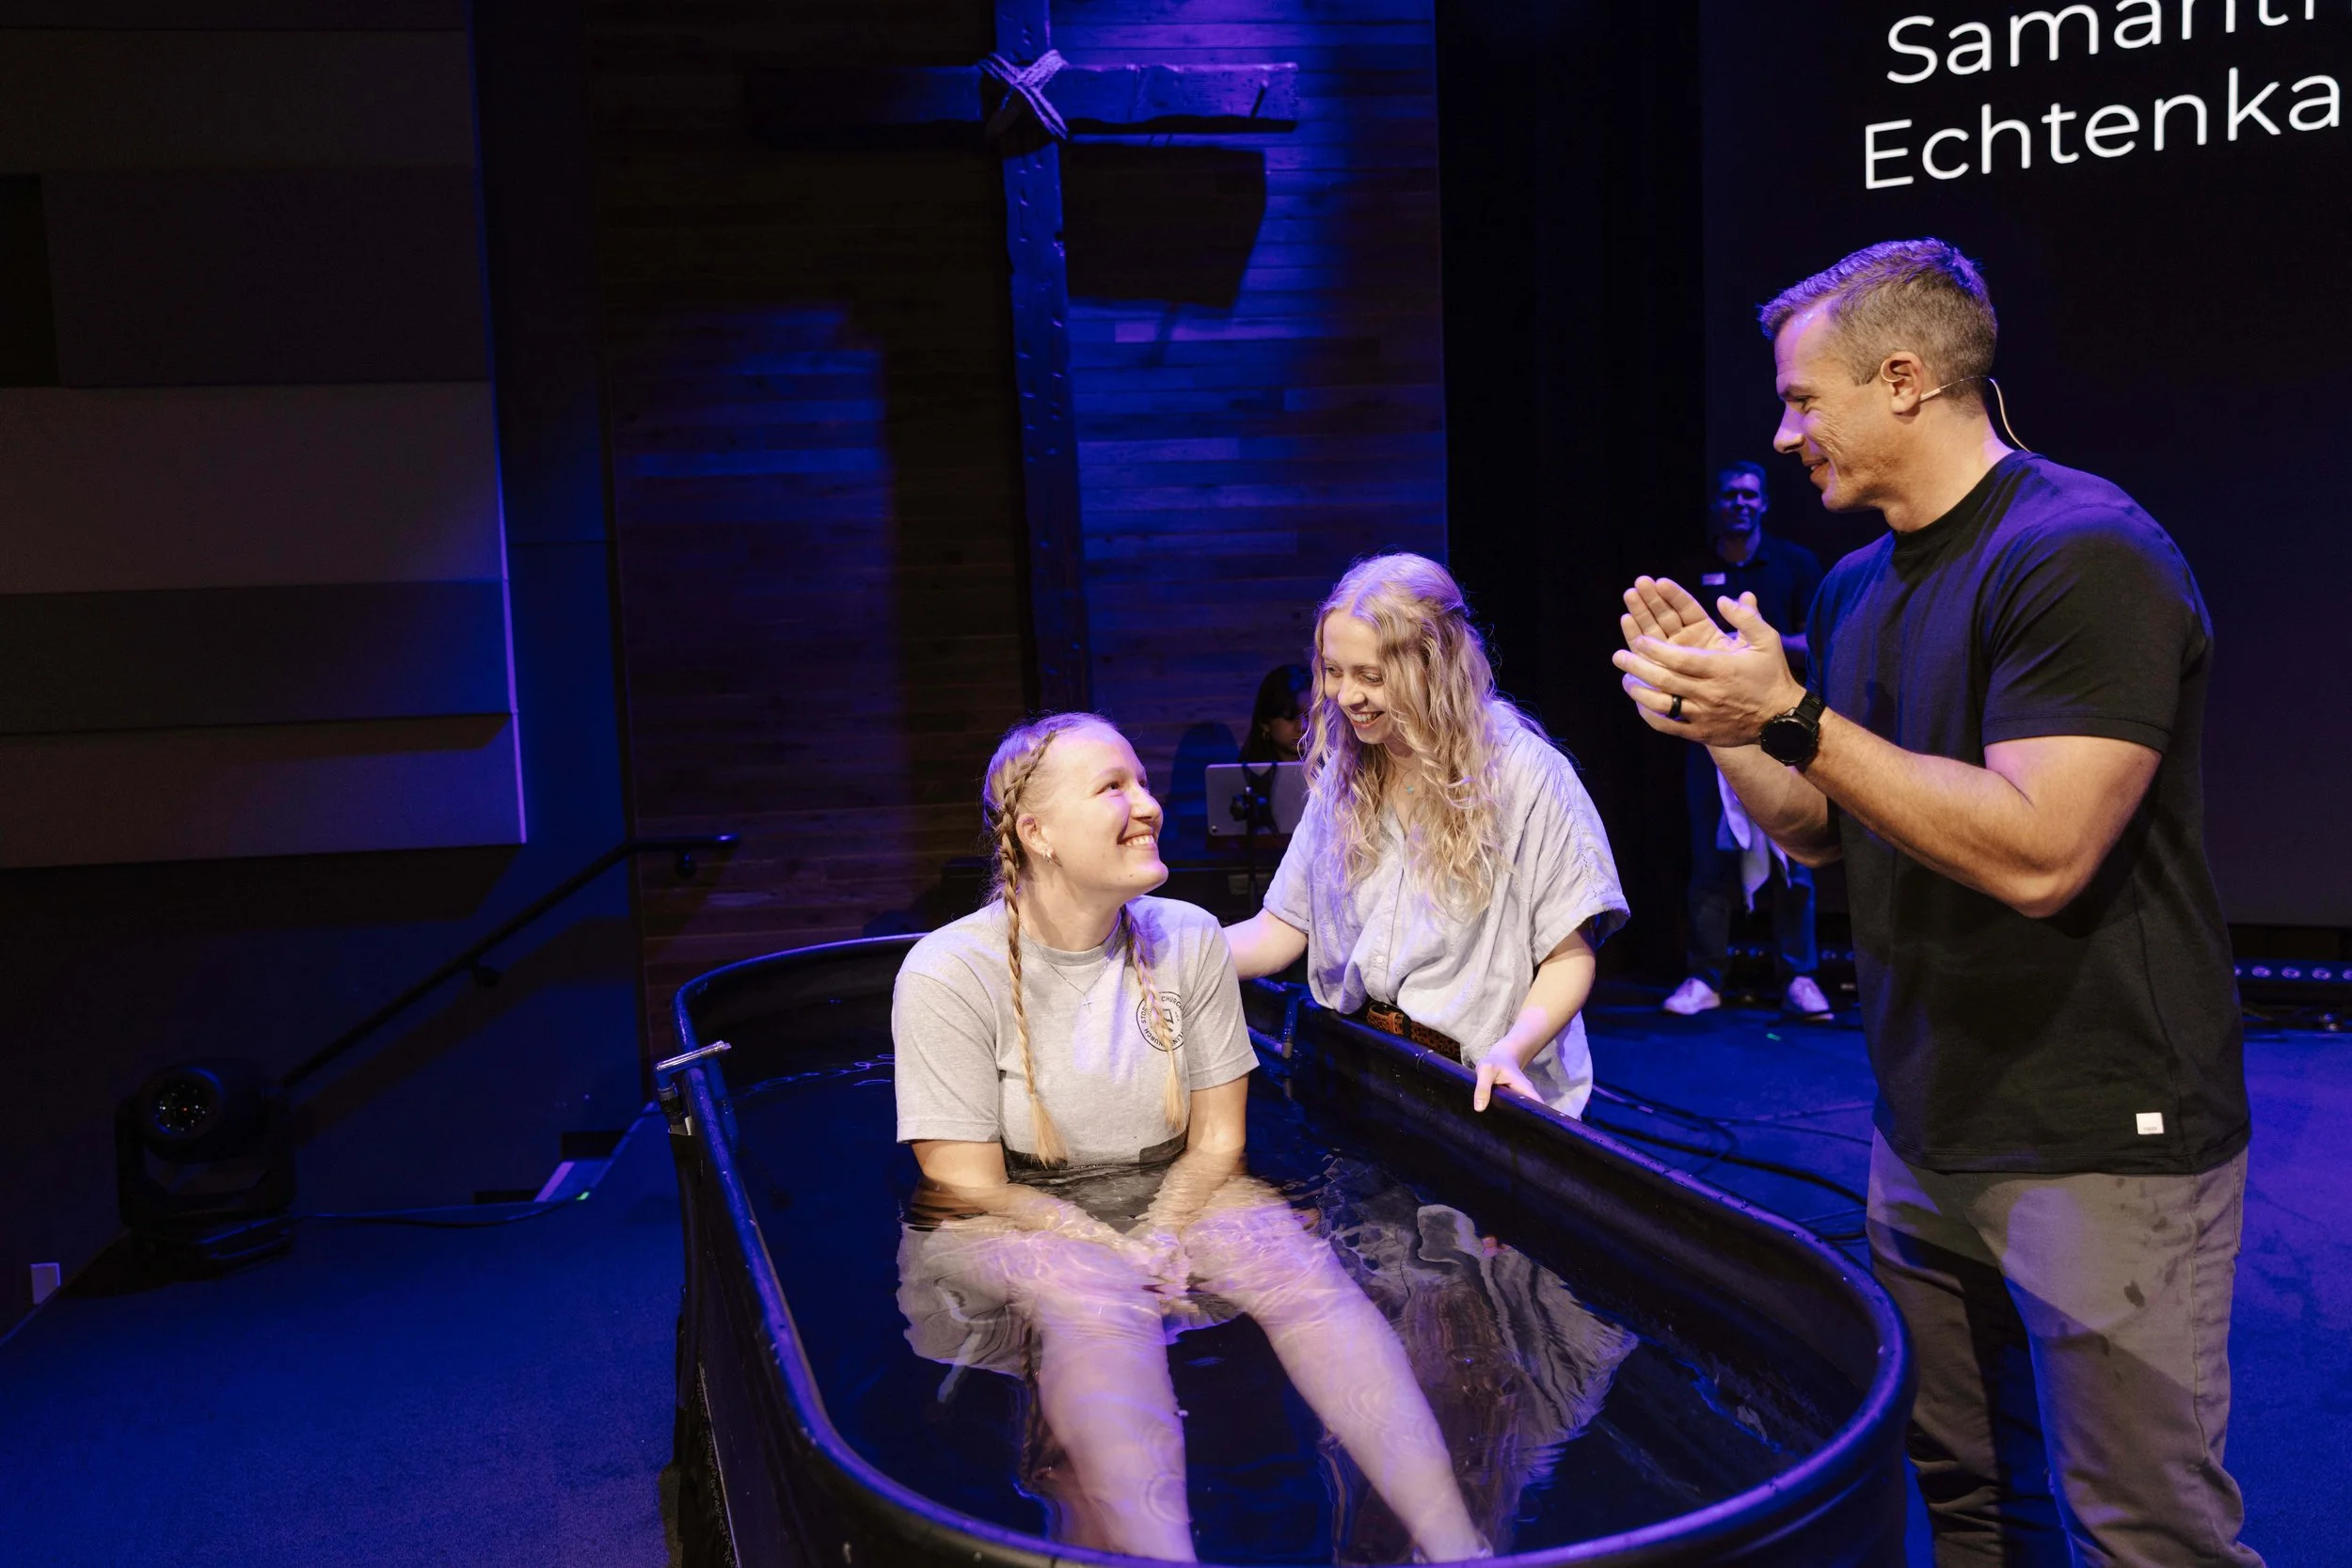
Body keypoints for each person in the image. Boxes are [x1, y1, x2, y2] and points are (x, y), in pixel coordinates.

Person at [1613, 239, 2260, 1566]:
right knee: (1968, 1500)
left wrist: (1788, 709)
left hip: (2103, 1127)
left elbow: (2040, 853)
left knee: (2148, 1529)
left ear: (1903, 378)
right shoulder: (1858, 584)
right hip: (1926, 1121)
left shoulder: (2083, 552)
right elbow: (1821, 835)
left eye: (1804, 399)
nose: (1784, 433)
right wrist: (1720, 719)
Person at [891, 711, 1488, 1562]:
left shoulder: (1189, 938)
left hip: (1172, 1190)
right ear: (1038, 833)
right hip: (1002, 1218)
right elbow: (966, 1181)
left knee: (1292, 1260)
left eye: (1142, 779)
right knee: (1090, 1289)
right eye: (1113, 787)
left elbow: (1215, 1143)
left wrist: (1162, 1234)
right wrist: (1102, 1243)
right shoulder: (951, 971)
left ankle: (1456, 1548)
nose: (1148, 804)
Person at [1224, 554, 1629, 1117]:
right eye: (1334, 671)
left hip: (1483, 1091)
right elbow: (1281, 928)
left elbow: (1569, 956)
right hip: (1372, 1070)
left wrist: (1512, 1051)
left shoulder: (1524, 774)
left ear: (1433, 667)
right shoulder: (1348, 772)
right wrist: (1181, 950)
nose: (1345, 696)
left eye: (1372, 676)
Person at [1663, 462, 1832, 1021]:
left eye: (1749, 495)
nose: (1739, 503)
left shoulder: (1794, 565)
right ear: (1716, 504)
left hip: (1782, 730)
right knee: (1709, 860)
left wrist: (1757, 648)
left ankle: (1800, 977)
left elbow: (1819, 641)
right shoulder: (1693, 569)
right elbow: (1671, 647)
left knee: (1793, 856)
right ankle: (1705, 977)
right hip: (1710, 737)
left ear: (1763, 504)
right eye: (1729, 494)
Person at [1240, 662, 1312, 763]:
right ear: (1265, 723)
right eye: (1290, 717)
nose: (1303, 727)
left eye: (1311, 716)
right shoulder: (1243, 776)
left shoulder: (1333, 771)